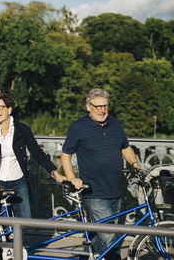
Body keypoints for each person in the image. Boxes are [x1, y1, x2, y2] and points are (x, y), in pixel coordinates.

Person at [61, 88, 142, 260]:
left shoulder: (116, 124)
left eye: (105, 106)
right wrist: (71, 177)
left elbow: (125, 147)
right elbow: (65, 154)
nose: (102, 110)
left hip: (116, 190)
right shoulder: (79, 127)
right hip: (94, 192)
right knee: (111, 238)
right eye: (97, 106)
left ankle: (85, 257)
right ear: (88, 107)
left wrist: (135, 164)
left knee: (99, 238)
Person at [0, 92, 66, 218]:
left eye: (0, 107)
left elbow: (37, 153)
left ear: (9, 109)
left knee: (25, 218)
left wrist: (56, 173)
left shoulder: (22, 130)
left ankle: (20, 238)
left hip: (19, 180)